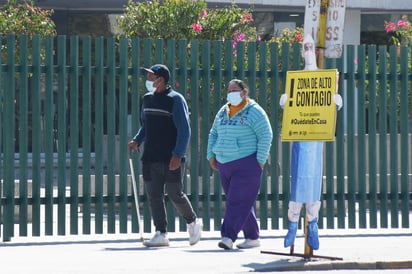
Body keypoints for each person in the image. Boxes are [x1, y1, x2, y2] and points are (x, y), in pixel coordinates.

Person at [279, 34, 343, 250]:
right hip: (299, 140)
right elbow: (292, 111)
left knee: (314, 181)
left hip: (316, 142)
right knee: (297, 182)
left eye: (310, 47)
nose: (308, 51)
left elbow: (328, 110)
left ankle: (312, 224)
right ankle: (292, 224)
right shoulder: (296, 81)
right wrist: (285, 104)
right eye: (304, 47)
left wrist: (336, 104)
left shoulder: (324, 81)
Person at [128, 64, 201, 247]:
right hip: (150, 155)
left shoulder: (175, 100)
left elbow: (184, 130)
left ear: (161, 79)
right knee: (154, 195)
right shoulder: (147, 99)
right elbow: (145, 125)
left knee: (175, 194)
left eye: (152, 76)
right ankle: (161, 233)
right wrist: (137, 140)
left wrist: (178, 154)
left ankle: (193, 222)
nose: (148, 80)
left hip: (171, 157)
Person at [207, 79, 273, 249]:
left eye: (234, 90)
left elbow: (266, 135)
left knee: (236, 201)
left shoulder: (255, 111)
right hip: (224, 163)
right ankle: (252, 237)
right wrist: (211, 154)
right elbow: (213, 133)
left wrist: (259, 160)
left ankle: (228, 236)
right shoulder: (223, 111)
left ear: (244, 92)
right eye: (228, 90)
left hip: (246, 163)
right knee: (240, 201)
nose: (230, 93)